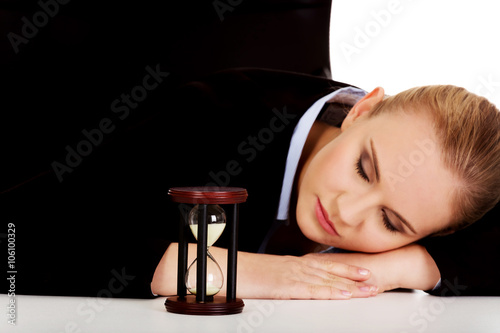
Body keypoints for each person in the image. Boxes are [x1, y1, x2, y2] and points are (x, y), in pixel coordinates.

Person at [5, 68, 500, 300]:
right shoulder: (209, 117)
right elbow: (19, 235)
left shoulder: (439, 193)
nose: (347, 212)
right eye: (363, 169)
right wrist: (229, 271)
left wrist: (404, 265)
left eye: (391, 222)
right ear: (362, 110)